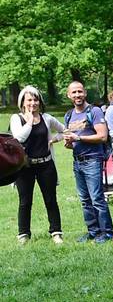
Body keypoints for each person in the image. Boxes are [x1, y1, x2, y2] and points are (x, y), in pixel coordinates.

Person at [10, 85, 65, 244]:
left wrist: (54, 139)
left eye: (35, 99)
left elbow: (64, 130)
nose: (33, 103)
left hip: (46, 165)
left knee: (51, 200)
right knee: (25, 201)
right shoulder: (16, 118)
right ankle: (23, 235)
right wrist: (28, 122)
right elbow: (19, 138)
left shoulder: (47, 118)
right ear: (22, 102)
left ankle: (56, 232)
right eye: (29, 100)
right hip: (24, 167)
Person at [62, 80, 113, 243]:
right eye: (74, 92)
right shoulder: (69, 115)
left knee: (96, 198)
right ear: (68, 95)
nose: (77, 95)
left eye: (80, 91)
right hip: (77, 161)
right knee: (85, 199)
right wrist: (69, 143)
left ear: (85, 93)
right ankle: (93, 231)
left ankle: (107, 232)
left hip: (93, 160)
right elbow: (72, 143)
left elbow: (102, 136)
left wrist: (78, 137)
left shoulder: (95, 111)